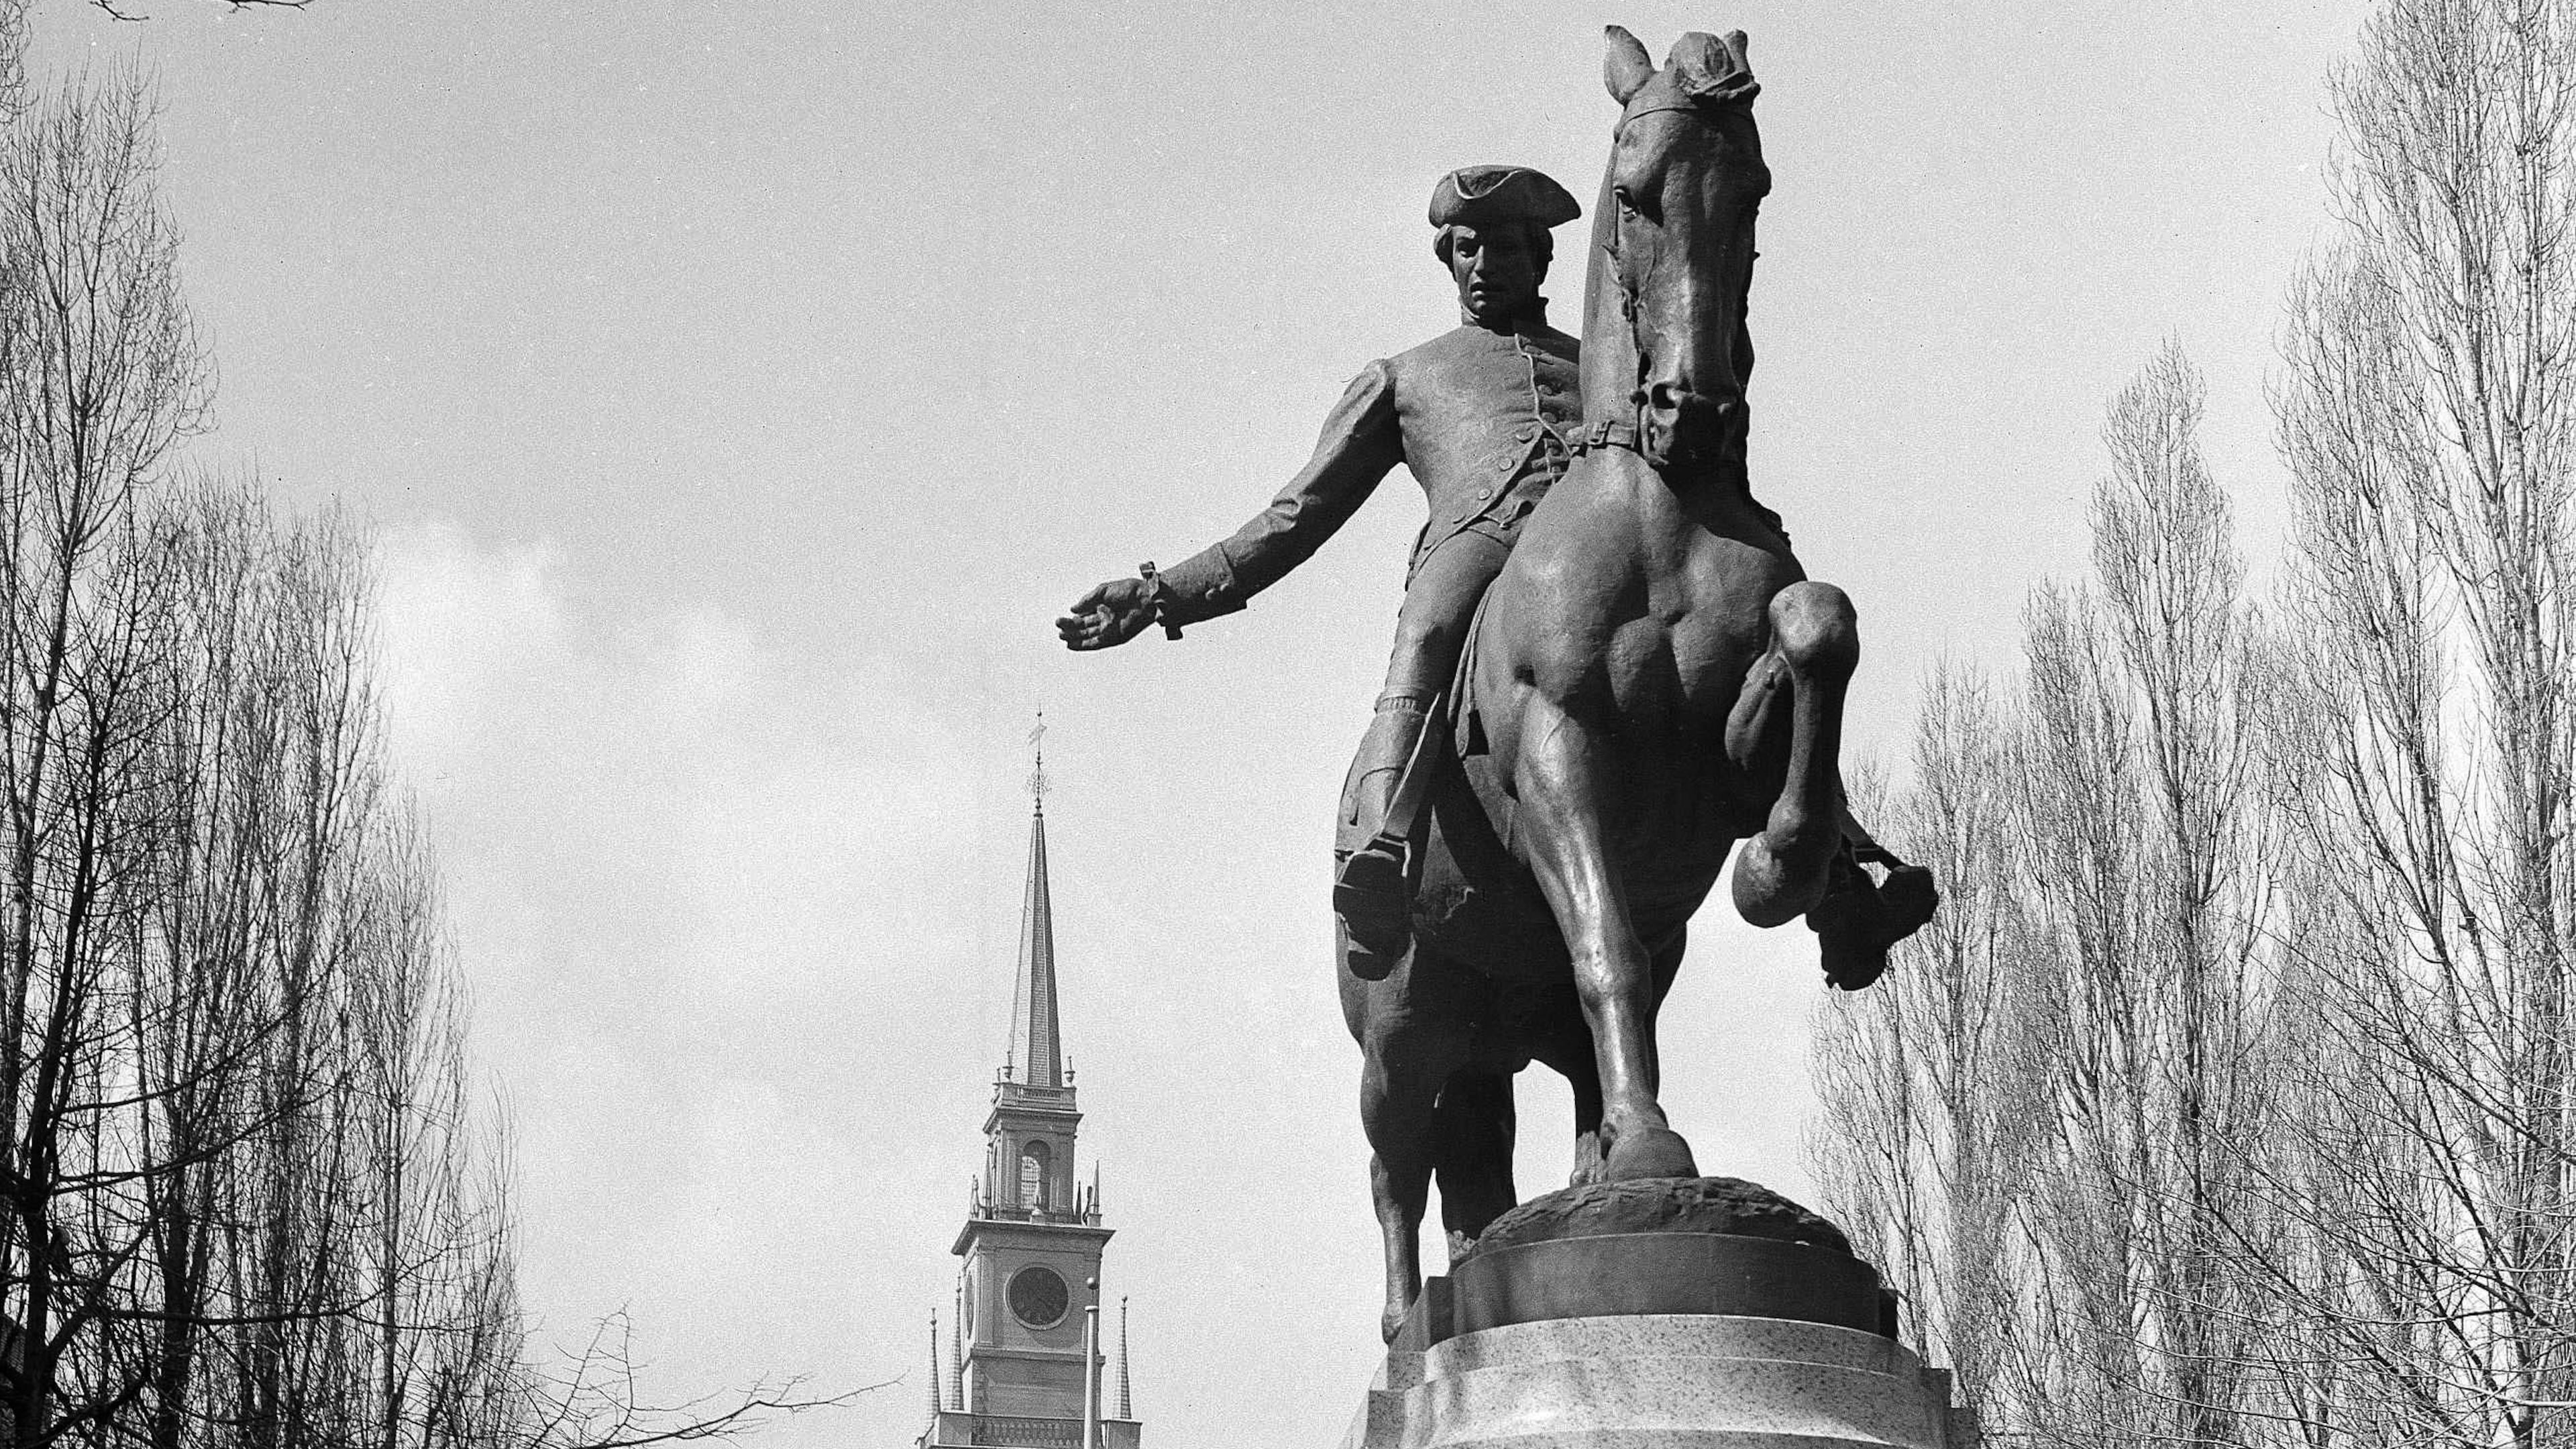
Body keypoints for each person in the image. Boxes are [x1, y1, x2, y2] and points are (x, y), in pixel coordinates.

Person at [1056, 164, 1582, 961]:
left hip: (1591, 555)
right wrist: (1164, 595)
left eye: (1503, 248)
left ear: (1541, 258)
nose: (1483, 265)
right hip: (1479, 545)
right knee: (1427, 635)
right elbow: (1296, 515)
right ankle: (1381, 848)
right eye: (1466, 249)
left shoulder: (1602, 367)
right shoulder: (1405, 378)